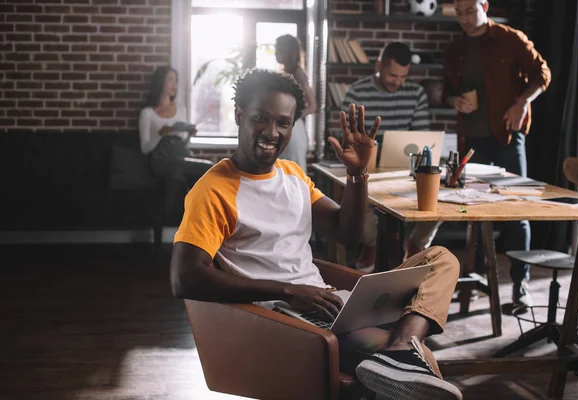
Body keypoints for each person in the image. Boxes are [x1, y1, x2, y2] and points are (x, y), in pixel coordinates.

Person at [170, 68, 462, 399]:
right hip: (282, 318)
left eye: (283, 123)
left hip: (329, 305)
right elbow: (185, 277)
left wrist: (357, 174)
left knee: (441, 259)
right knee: (420, 366)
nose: (271, 132)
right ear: (239, 116)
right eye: (260, 118)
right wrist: (288, 290)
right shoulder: (213, 190)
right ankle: (400, 354)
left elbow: (346, 232)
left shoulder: (292, 174)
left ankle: (399, 350)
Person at [407, 0, 551, 308]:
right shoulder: (455, 49)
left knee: (517, 209)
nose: (465, 18)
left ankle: (520, 282)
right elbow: (446, 90)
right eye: (459, 13)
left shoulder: (510, 38)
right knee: (473, 210)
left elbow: (542, 74)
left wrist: (521, 103)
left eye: (470, 10)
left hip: (507, 136)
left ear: (484, 5)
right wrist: (453, 100)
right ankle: (476, 278)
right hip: (471, 140)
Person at [342, 42, 431, 272]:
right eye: (393, 75)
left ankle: (416, 244)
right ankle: (371, 245)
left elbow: (422, 137)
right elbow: (346, 138)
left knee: (436, 194)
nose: (397, 82)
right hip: (368, 168)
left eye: (403, 76)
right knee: (361, 197)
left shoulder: (416, 93)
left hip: (404, 169)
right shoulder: (356, 92)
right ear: (379, 65)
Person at [139, 66, 213, 218]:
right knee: (200, 168)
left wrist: (189, 134)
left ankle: (197, 216)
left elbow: (183, 144)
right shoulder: (147, 113)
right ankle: (181, 214)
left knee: (201, 169)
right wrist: (160, 134)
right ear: (160, 83)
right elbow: (145, 148)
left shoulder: (180, 109)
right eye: (170, 80)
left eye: (176, 81)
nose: (174, 85)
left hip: (180, 154)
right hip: (161, 158)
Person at [275, 34, 317, 172]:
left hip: (294, 129)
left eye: (278, 49)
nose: (275, 53)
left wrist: (292, 116)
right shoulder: (286, 73)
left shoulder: (298, 74)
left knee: (293, 171)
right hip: (288, 126)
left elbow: (313, 105)